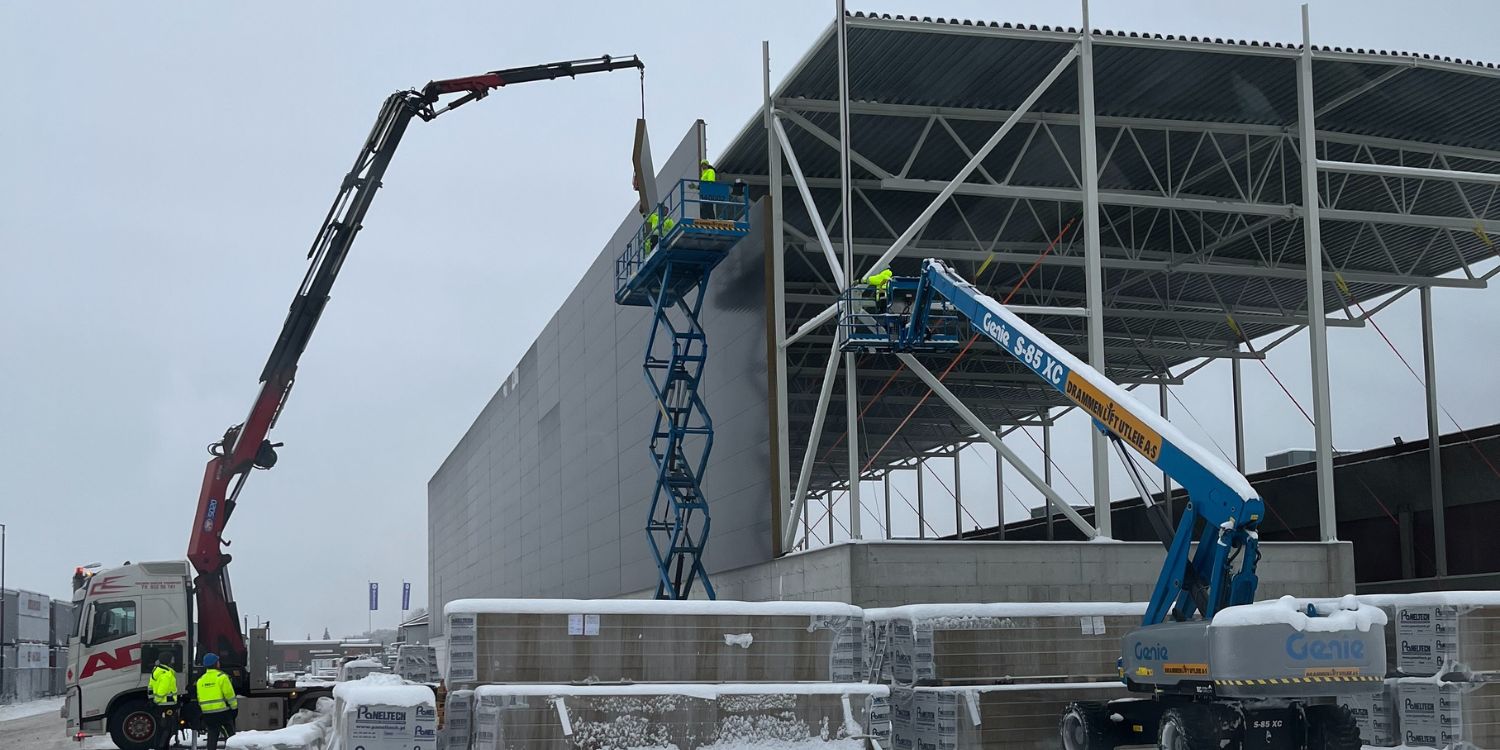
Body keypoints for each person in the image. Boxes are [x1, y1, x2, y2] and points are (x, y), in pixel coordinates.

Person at [196, 653, 237, 750]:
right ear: (215, 664)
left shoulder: (200, 680)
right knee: (231, 737)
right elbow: (229, 695)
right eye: (218, 661)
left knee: (212, 736)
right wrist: (234, 708)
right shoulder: (222, 677)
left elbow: (199, 697)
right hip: (222, 713)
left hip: (207, 714)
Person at [148, 652, 179, 750]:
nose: (173, 661)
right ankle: (162, 747)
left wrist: (152, 700)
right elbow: (163, 690)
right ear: (168, 661)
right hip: (166, 705)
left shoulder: (156, 671)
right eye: (171, 659)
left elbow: (150, 687)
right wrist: (157, 700)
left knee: (160, 728)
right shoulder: (166, 674)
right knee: (167, 729)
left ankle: (159, 746)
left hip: (158, 705)